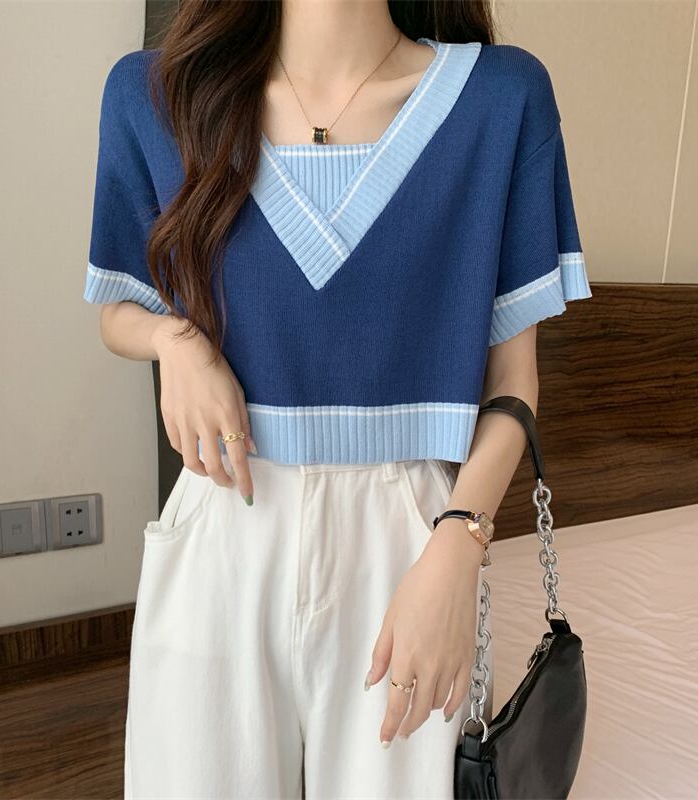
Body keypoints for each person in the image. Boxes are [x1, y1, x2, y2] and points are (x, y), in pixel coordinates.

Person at [83, 1, 592, 797]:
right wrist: (172, 341)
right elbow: (119, 308)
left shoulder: (500, 98)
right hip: (222, 520)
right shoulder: (155, 95)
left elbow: (512, 384)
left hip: (413, 541)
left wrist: (459, 547)